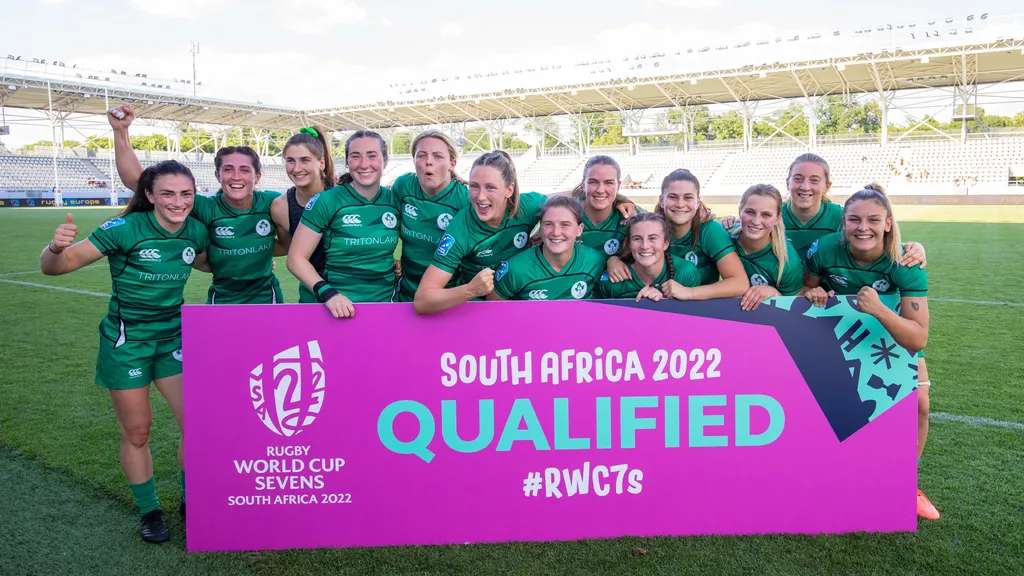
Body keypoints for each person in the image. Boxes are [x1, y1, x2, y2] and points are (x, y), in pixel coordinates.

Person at [39, 161, 210, 543]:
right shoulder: (123, 228)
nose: (178, 202)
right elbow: (56, 267)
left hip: (173, 340)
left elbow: (213, 261)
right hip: (126, 343)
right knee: (138, 431)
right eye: (167, 194)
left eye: (186, 194)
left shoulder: (196, 231)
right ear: (149, 195)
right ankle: (150, 511)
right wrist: (55, 248)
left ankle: (190, 499)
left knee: (197, 424)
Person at [801, 183, 938, 521]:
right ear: (844, 223)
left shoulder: (905, 262)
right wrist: (814, 292)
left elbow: (918, 338)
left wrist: (878, 310)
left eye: (873, 220)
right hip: (838, 333)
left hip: (887, 335)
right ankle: (826, 475)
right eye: (855, 220)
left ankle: (907, 481)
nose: (863, 227)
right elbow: (806, 287)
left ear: (888, 223)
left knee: (920, 404)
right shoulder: (824, 249)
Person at [108, 104, 286, 304]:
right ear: (217, 175)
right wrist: (121, 131)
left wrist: (259, 257)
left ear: (257, 177)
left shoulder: (272, 202)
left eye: (244, 170)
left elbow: (290, 242)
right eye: (228, 169)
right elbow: (137, 181)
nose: (236, 176)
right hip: (222, 297)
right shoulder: (205, 207)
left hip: (267, 296)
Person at [413, 151, 548, 314]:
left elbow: (564, 207)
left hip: (519, 305)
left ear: (509, 190)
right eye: (474, 186)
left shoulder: (529, 206)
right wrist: (470, 290)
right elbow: (422, 301)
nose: (481, 197)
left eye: (490, 187)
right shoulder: (462, 228)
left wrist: (544, 230)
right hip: (477, 310)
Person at [287, 130, 399, 318]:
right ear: (347, 162)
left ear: (385, 160)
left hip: (384, 306)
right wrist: (329, 294)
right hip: (335, 309)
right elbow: (295, 259)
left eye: (372, 155)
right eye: (355, 156)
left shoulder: (394, 200)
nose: (364, 164)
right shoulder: (326, 201)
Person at [608, 169, 748, 299]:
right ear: (661, 201)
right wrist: (613, 260)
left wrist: (689, 292)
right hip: (656, 303)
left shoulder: (710, 231)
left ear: (697, 202)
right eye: (673, 197)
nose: (680, 204)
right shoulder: (651, 228)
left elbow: (740, 284)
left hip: (699, 310)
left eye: (688, 198)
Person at [390, 130, 471, 302]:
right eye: (421, 155)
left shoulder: (464, 200)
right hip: (406, 294)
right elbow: (388, 225)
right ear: (414, 161)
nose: (428, 162)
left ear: (452, 164)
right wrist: (392, 257)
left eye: (438, 156)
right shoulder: (403, 186)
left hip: (447, 298)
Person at [488, 196, 606, 301]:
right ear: (540, 228)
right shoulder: (515, 269)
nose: (556, 232)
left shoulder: (595, 261)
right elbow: (492, 308)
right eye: (548, 224)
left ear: (579, 229)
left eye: (565, 224)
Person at [269, 126, 336, 303]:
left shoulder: (342, 194)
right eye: (290, 161)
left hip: (352, 289)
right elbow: (290, 249)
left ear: (321, 163)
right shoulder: (280, 207)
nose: (296, 168)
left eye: (305, 160)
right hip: (312, 293)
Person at [597, 212, 701, 302]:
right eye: (637, 238)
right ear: (629, 243)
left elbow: (694, 316)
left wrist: (664, 303)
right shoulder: (614, 277)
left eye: (652, 238)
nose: (645, 246)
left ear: (665, 243)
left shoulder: (686, 273)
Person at [731, 184, 804, 311]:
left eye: (766, 215)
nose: (756, 221)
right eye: (750, 212)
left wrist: (775, 294)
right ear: (740, 211)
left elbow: (796, 309)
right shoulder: (724, 238)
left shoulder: (787, 260)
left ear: (777, 219)